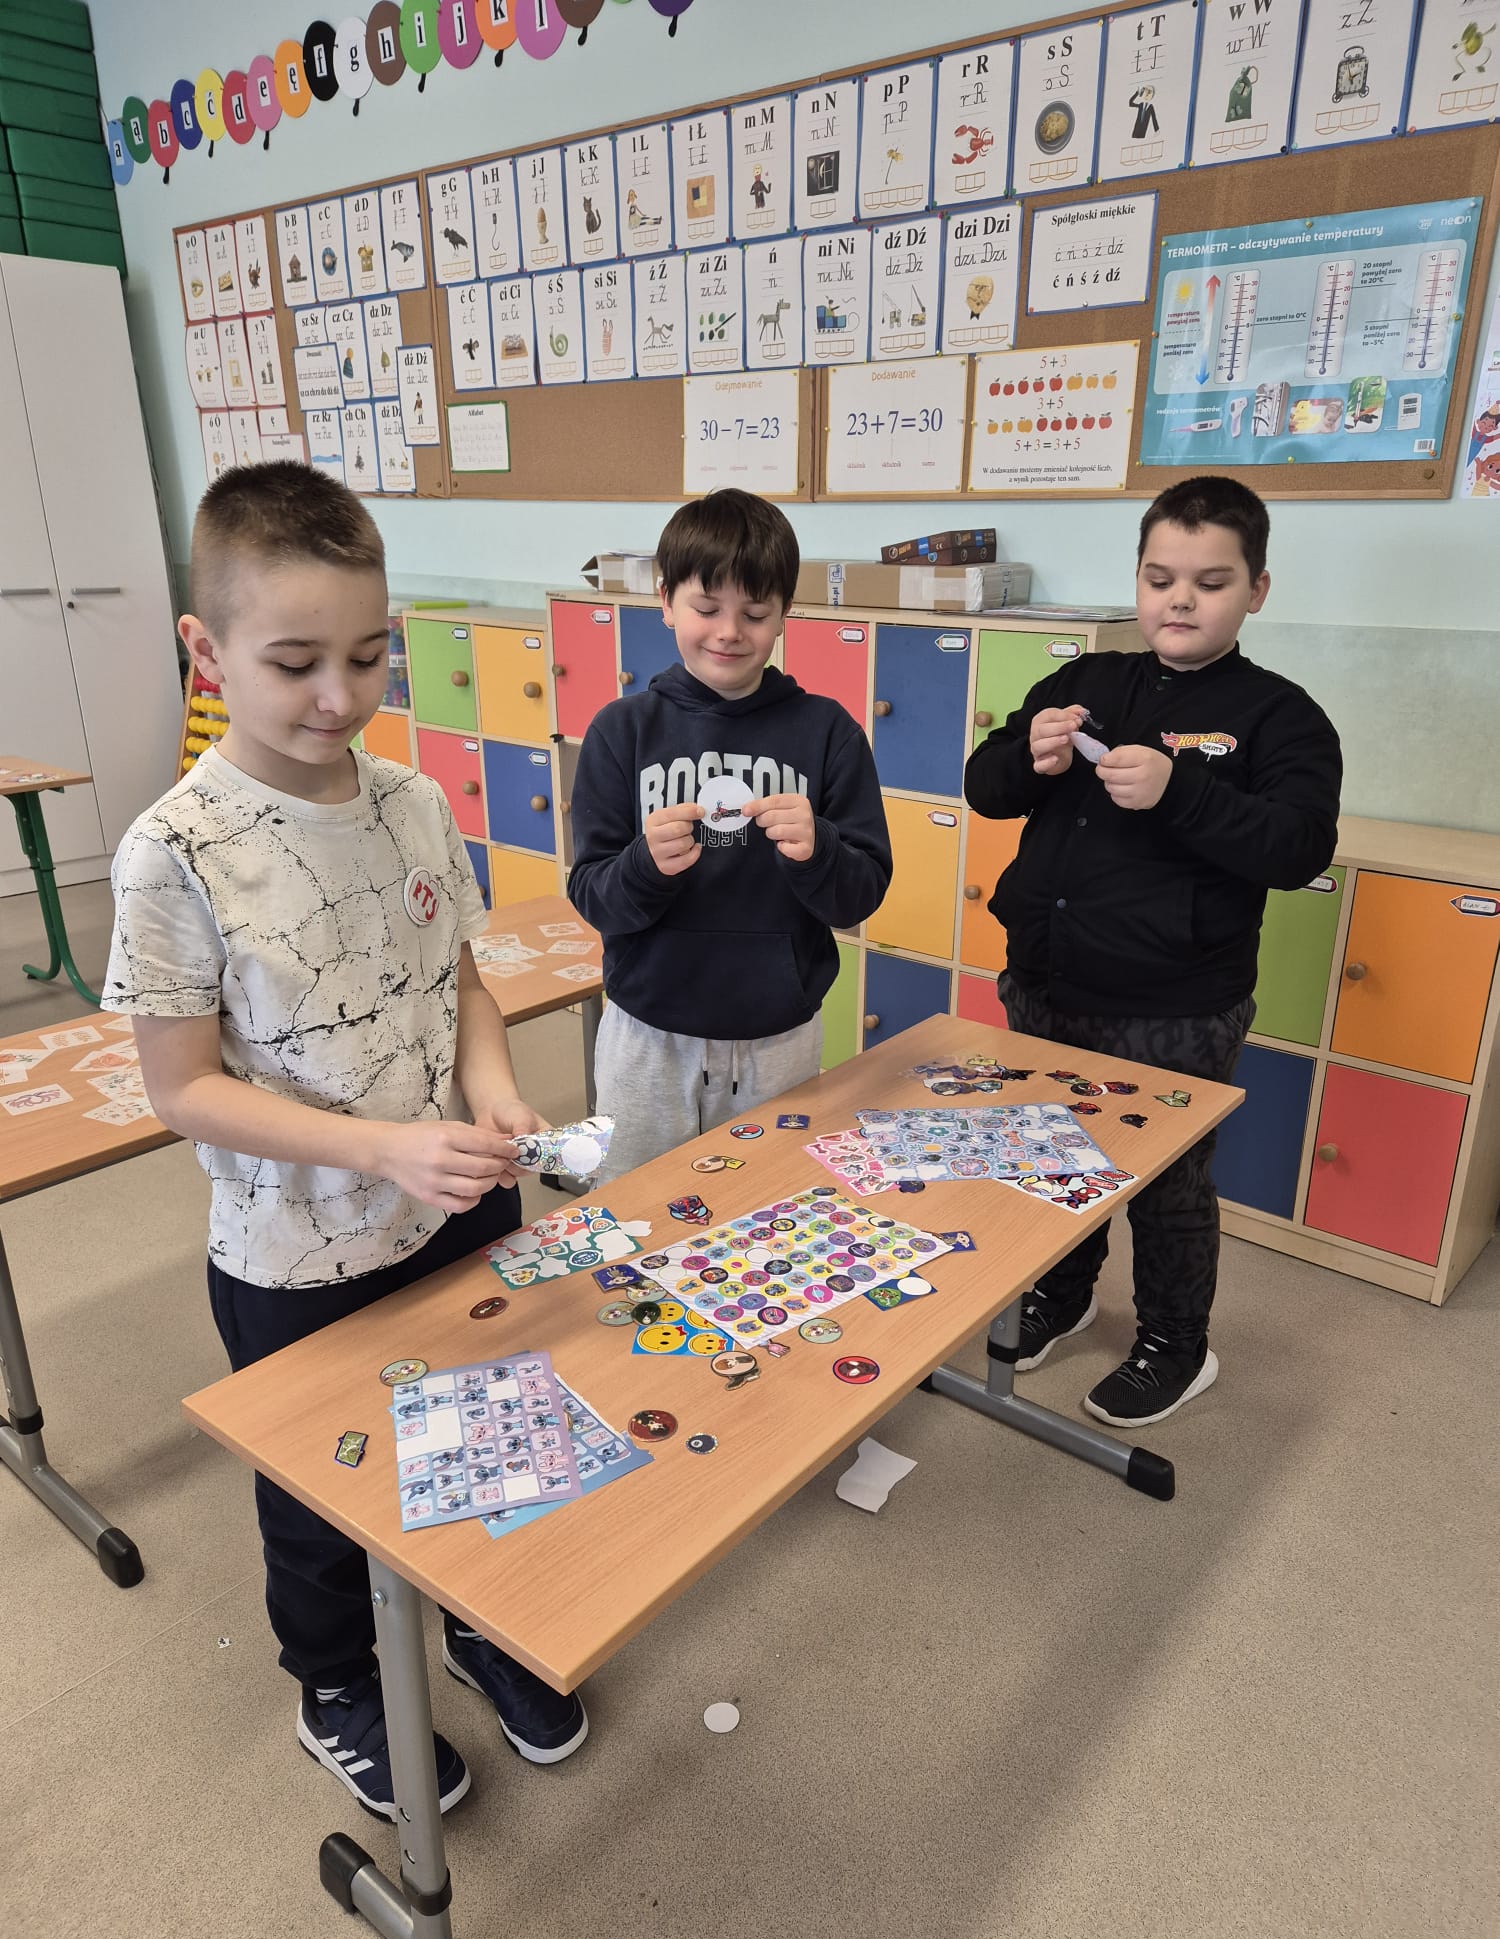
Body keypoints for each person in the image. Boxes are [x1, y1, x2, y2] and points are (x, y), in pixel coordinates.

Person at [102, 464, 588, 1822]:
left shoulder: (415, 800)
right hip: (295, 1255)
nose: (339, 695)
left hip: (457, 1201)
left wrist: (493, 1090)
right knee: (327, 1498)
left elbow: (461, 984)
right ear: (207, 651)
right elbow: (181, 1089)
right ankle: (336, 1685)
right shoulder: (173, 851)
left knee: (489, 1430)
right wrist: (380, 1149)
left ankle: (483, 1620)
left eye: (369, 656)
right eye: (295, 662)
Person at [964, 475, 1341, 1426]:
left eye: (1211, 583)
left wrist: (1181, 791)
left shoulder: (1281, 715)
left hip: (1176, 1004)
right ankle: (1066, 1292)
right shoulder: (1085, 681)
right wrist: (1030, 755)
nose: (1180, 600)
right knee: (1052, 1158)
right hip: (1047, 979)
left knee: (1167, 1183)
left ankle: (1177, 1341)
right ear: (1137, 579)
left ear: (1256, 590)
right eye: (1160, 578)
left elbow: (1298, 848)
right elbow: (985, 786)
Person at [567, 488, 891, 1178]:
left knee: (769, 1210)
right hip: (646, 1035)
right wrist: (644, 866)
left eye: (755, 613)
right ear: (666, 601)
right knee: (634, 1203)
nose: (728, 632)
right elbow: (591, 892)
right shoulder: (622, 731)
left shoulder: (827, 732)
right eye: (706, 608)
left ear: (784, 614)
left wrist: (819, 852)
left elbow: (861, 894)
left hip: (778, 1038)